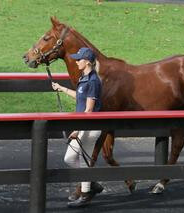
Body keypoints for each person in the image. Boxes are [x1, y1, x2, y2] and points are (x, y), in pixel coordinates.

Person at [52, 47, 103, 208]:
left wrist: (77, 130)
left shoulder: (93, 81)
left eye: (79, 59)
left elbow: (88, 110)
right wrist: (62, 88)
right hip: (84, 127)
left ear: (87, 61)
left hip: (89, 127)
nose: (76, 61)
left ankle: (86, 194)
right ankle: (91, 183)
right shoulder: (84, 78)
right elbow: (80, 96)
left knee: (81, 160)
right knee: (70, 158)